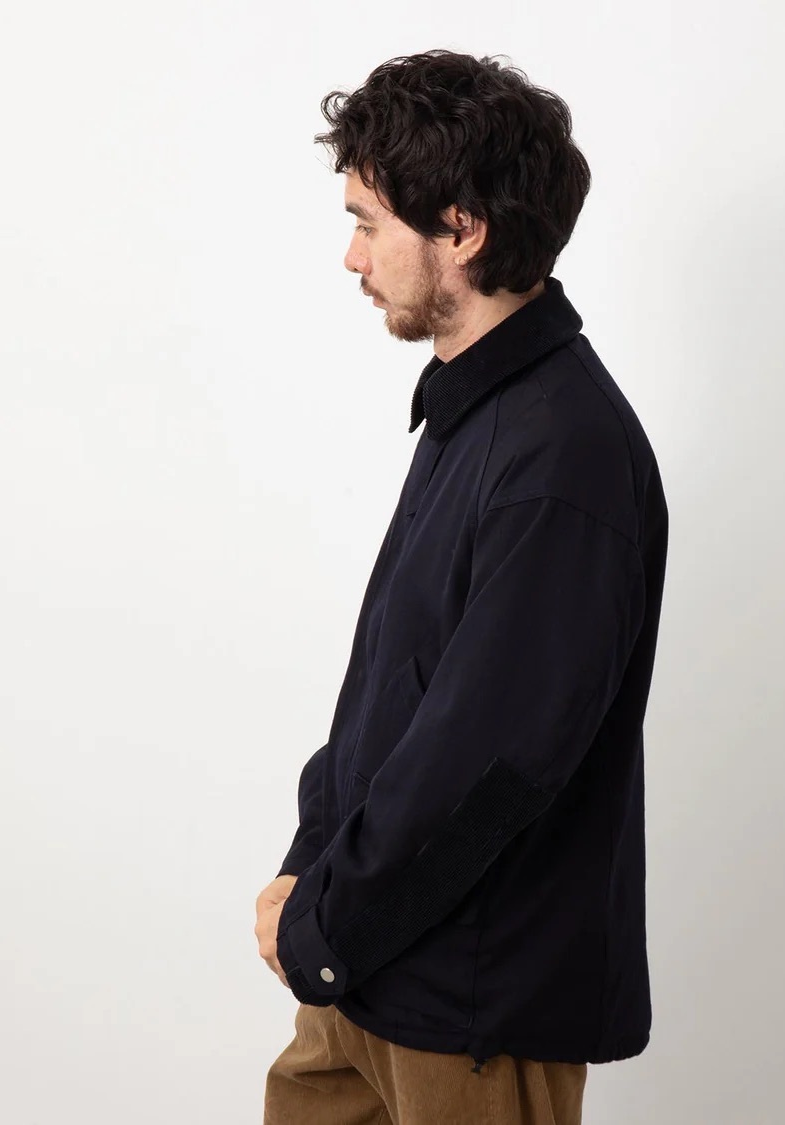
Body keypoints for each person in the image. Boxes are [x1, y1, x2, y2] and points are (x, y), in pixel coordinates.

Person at [255, 48, 668, 1125]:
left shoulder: (564, 452)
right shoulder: (471, 408)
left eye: (368, 222)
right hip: (366, 980)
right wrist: (309, 873)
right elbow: (388, 693)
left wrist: (322, 922)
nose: (351, 256)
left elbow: (492, 761)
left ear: (463, 229)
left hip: (471, 1015)